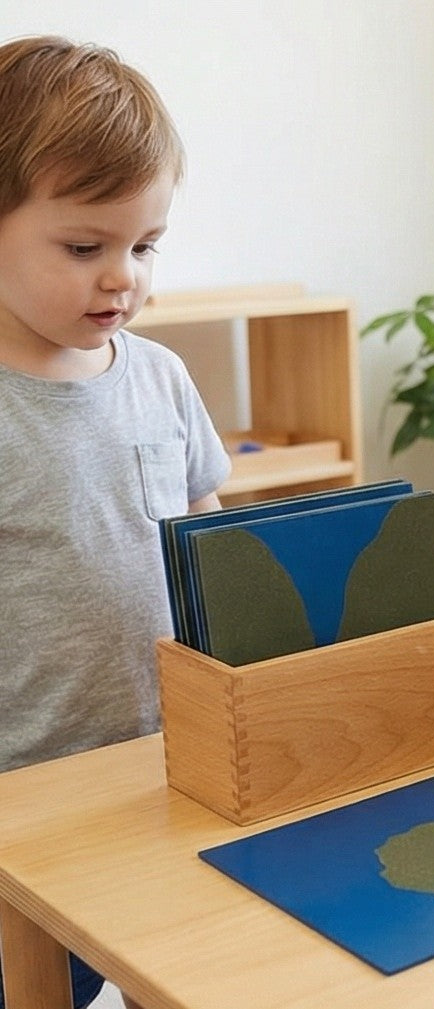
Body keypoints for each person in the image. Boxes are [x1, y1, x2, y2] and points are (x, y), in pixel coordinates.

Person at [0, 35, 230, 1009]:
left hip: (163, 770)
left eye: (144, 246)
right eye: (84, 248)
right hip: (21, 803)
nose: (122, 278)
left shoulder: (161, 377)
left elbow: (213, 545)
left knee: (172, 969)